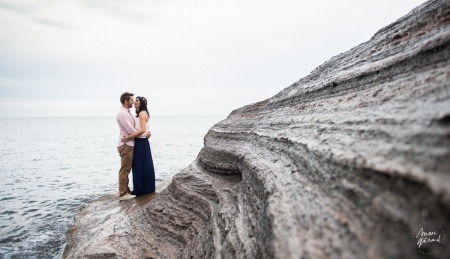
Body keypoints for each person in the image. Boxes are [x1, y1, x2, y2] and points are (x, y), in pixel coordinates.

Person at [116, 92, 151, 201]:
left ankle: (126, 190)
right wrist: (145, 133)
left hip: (130, 143)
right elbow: (130, 130)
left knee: (127, 169)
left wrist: (145, 133)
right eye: (131, 100)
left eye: (135, 100)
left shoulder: (128, 112)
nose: (133, 102)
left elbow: (138, 127)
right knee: (125, 169)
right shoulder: (122, 113)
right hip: (126, 144)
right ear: (126, 101)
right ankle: (123, 193)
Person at [123, 96, 156, 195]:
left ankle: (141, 189)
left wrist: (129, 137)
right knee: (144, 165)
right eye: (134, 101)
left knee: (138, 165)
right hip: (143, 141)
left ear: (141, 103)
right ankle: (146, 187)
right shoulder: (143, 113)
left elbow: (142, 130)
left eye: (137, 101)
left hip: (141, 141)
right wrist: (147, 133)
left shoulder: (142, 114)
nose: (135, 102)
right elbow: (145, 130)